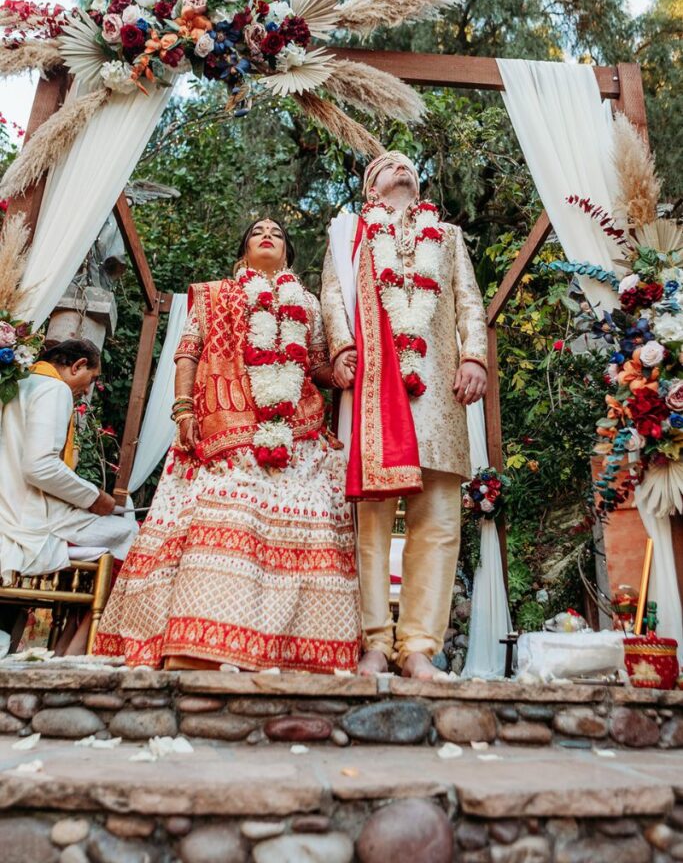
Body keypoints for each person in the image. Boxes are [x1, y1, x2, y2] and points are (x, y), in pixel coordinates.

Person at [94, 218, 360, 672]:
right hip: (224, 431)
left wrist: (344, 370)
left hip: (296, 435)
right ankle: (193, 649)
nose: (268, 234)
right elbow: (188, 352)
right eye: (258, 230)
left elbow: (315, 365)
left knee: (312, 518)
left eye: (277, 231)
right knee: (221, 522)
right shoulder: (218, 295)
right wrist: (183, 409)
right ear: (243, 253)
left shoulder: (309, 305)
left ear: (289, 254)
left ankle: (295, 656)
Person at [321, 151, 488, 680]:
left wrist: (474, 356)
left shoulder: (450, 235)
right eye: (388, 165)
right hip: (374, 391)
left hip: (439, 393)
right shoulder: (352, 234)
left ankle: (418, 648)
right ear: (371, 188)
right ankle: (372, 643)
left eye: (407, 164)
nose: (403, 168)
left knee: (438, 523)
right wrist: (342, 347)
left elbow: (469, 303)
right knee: (369, 522)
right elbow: (332, 296)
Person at [0, 339, 138, 582]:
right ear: (78, 365)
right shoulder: (54, 389)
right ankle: (94, 621)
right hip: (29, 518)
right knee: (132, 535)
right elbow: (39, 467)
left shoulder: (16, 383)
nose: (87, 390)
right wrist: (93, 497)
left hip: (10, 507)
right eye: (92, 379)